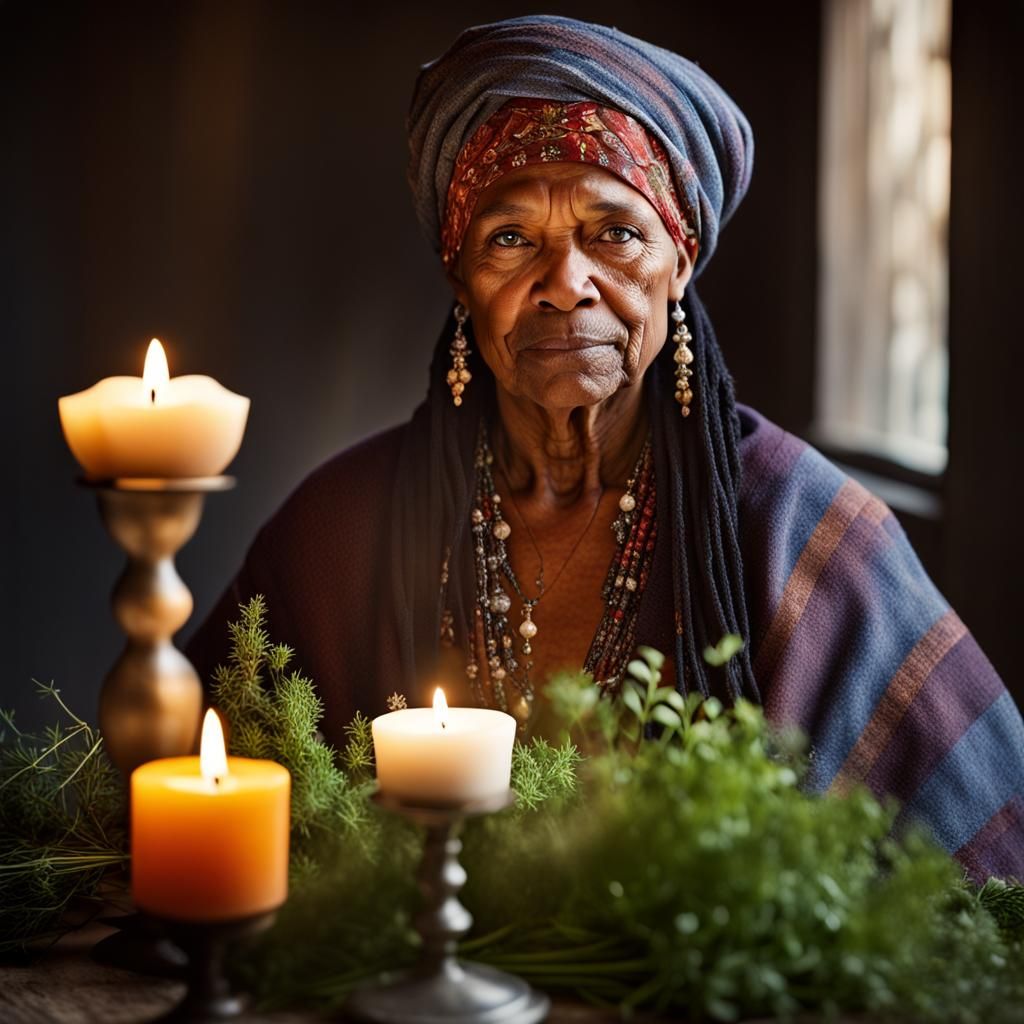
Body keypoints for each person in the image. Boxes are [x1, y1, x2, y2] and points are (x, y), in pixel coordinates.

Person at [187, 15, 1023, 882]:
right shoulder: (342, 526)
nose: (564, 282)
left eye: (616, 234)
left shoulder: (802, 533)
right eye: (511, 239)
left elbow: (991, 878)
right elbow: (189, 798)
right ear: (459, 274)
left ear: (681, 260)